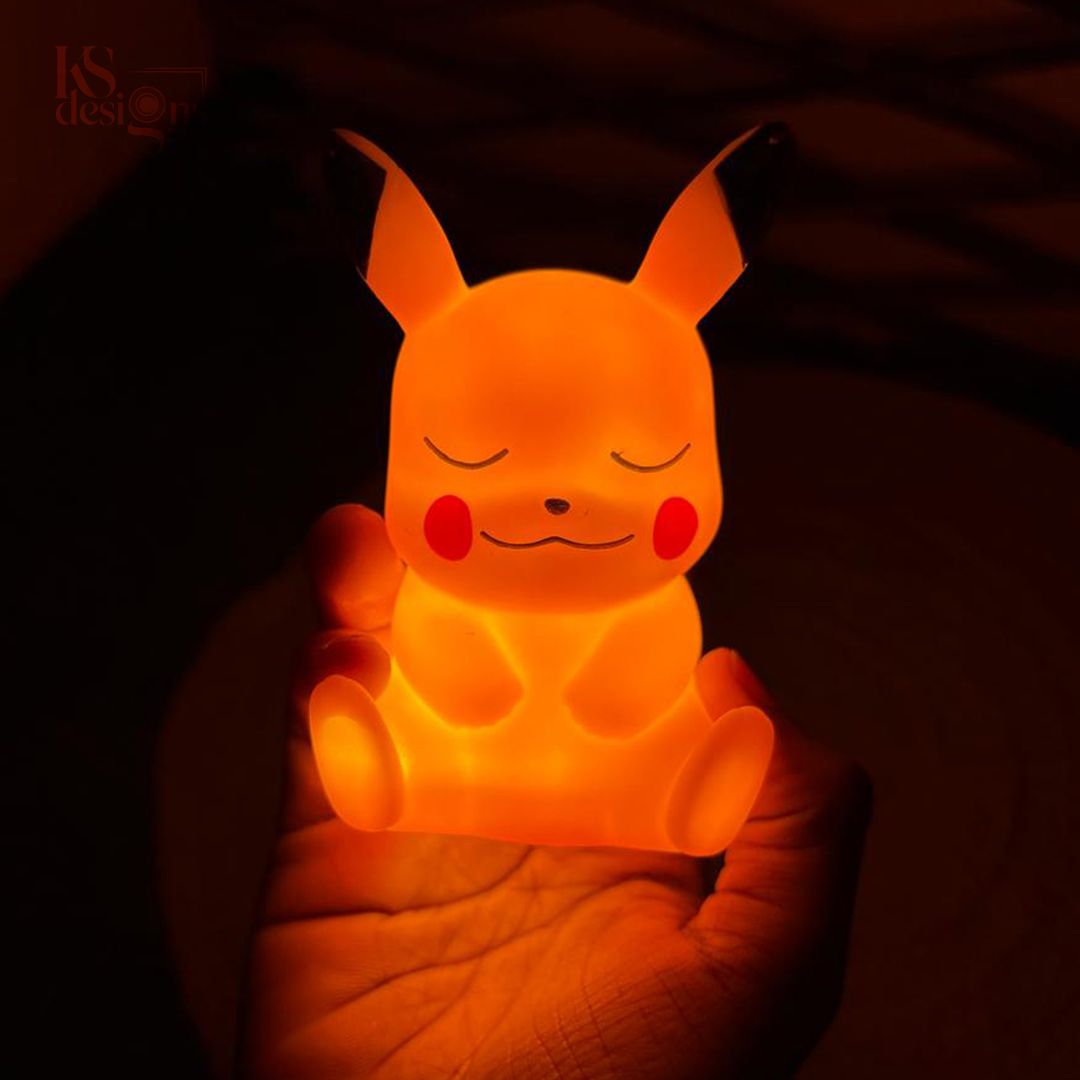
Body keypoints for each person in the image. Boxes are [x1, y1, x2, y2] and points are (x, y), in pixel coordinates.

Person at [236, 506, 872, 1079]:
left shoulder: (656, 603)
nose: (556, 501)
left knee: (677, 734)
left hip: (612, 785)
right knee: (398, 706)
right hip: (461, 773)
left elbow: (650, 667)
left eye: (631, 466)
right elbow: (439, 659)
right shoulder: (437, 598)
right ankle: (385, 784)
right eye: (477, 463)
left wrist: (618, 694)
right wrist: (467, 684)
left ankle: (686, 805)